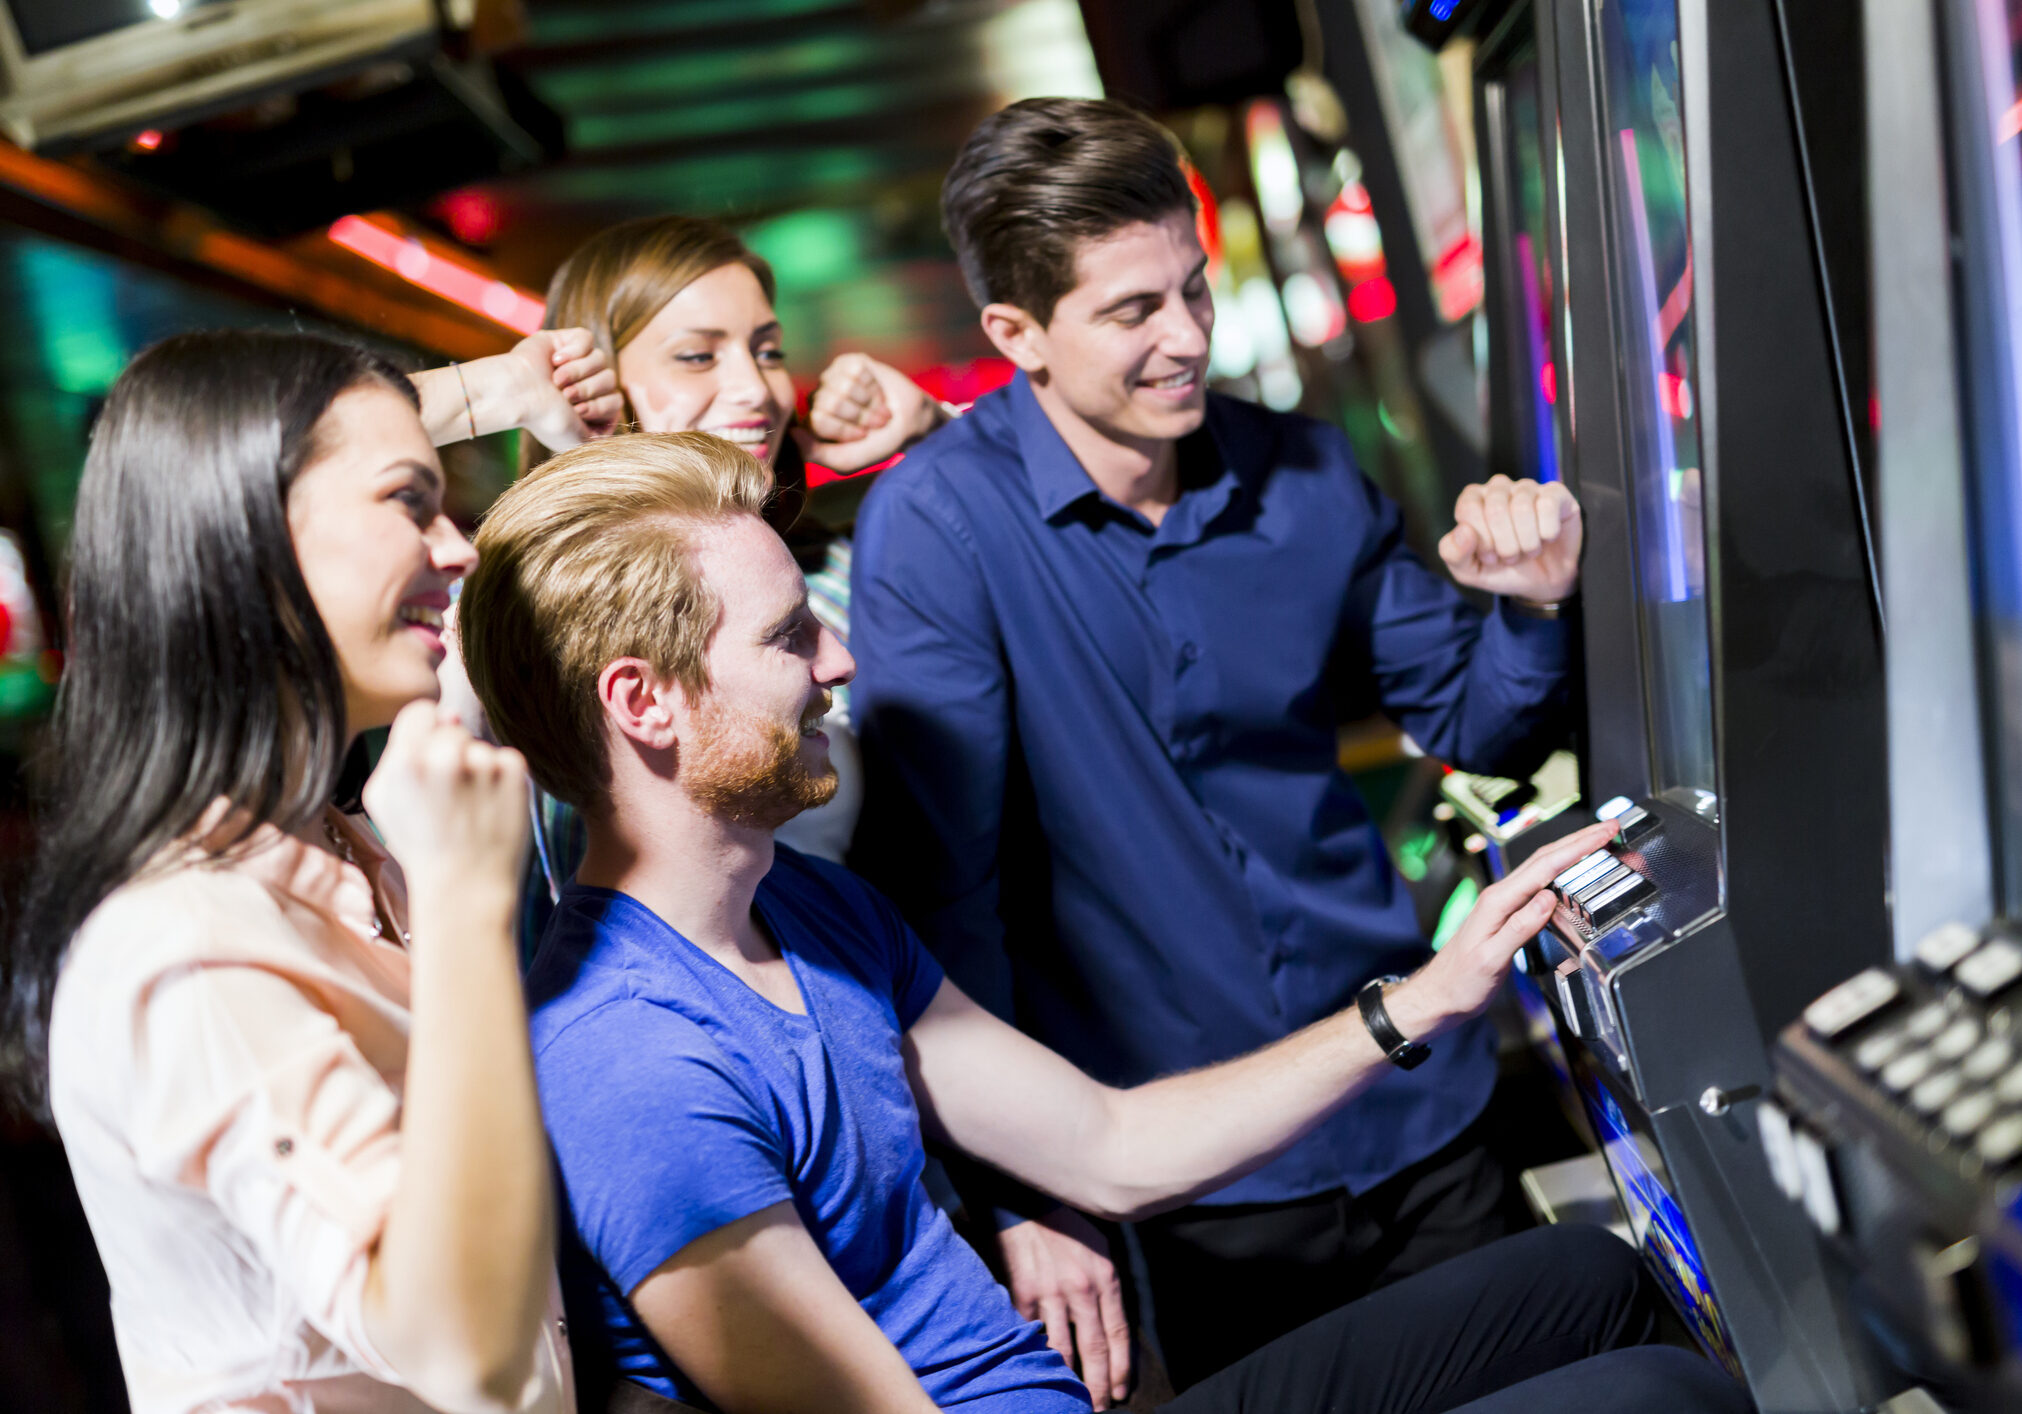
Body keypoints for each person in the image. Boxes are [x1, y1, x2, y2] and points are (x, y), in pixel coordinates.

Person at [453, 429, 1749, 1414]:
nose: (841, 666)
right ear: (645, 700)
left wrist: (1428, 992)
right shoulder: (627, 1062)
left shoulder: (809, 907)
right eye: (794, 639)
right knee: (1658, 1397)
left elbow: (1111, 1144)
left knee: (1591, 1276)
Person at [848, 97, 1585, 1395]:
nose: (1188, 339)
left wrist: (1529, 600)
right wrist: (1027, 1188)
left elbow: (1476, 720)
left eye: (1193, 289)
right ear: (1013, 333)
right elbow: (939, 900)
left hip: (1420, 1105)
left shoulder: (1303, 472)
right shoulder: (938, 528)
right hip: (1190, 1177)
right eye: (1132, 312)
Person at [6, 329, 603, 1414]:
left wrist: (512, 392)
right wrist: (470, 904)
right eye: (410, 503)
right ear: (246, 543)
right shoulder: (186, 940)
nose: (458, 544)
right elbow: (466, 1350)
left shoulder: (349, 851)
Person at [512, 214, 948, 878]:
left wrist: (934, 430)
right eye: (698, 355)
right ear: (587, 383)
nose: (759, 390)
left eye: (768, 351)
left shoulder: (834, 581)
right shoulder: (505, 612)